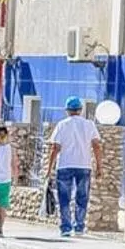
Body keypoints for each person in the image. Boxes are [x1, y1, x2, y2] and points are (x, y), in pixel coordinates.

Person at [45, 97, 102, 238]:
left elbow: (55, 148)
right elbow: (96, 145)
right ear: (80, 110)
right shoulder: (89, 125)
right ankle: (79, 227)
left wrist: (49, 168)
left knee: (64, 197)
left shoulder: (62, 125)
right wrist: (99, 166)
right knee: (82, 197)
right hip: (84, 165)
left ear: (67, 111)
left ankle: (65, 227)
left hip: (64, 165)